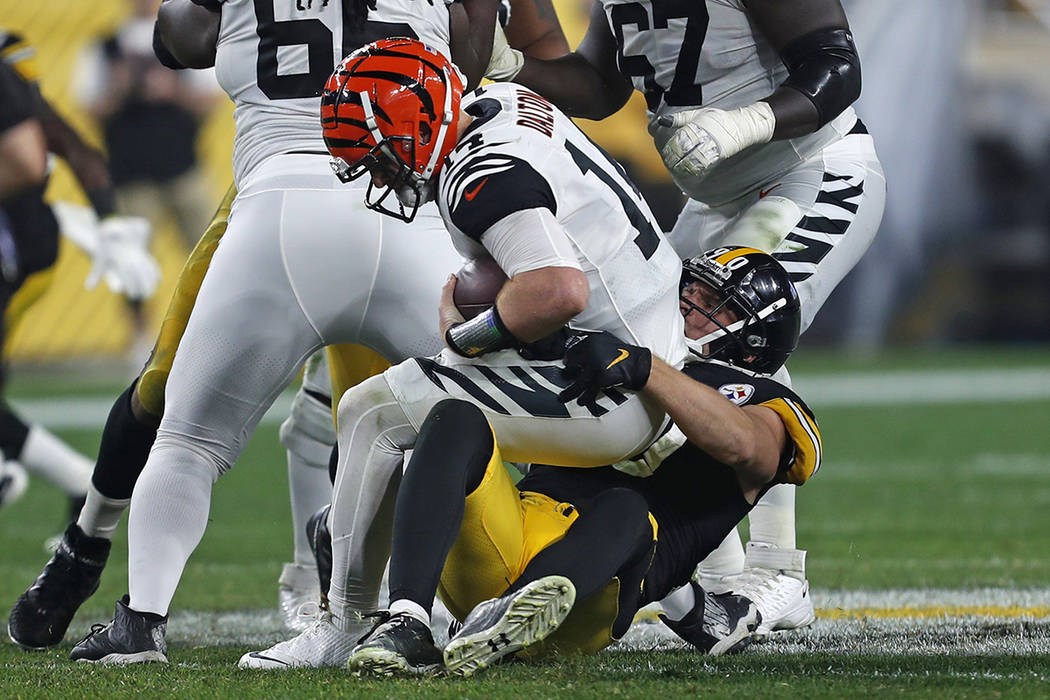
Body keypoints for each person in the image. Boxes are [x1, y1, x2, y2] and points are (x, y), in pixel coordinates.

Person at [8, 0, 573, 653]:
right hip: (408, 196)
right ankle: (650, 573)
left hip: (277, 202)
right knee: (510, 406)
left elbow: (179, 42)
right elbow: (479, 65)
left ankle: (143, 616)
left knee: (189, 429)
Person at [237, 37, 688, 670]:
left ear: (419, 131)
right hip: (649, 345)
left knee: (372, 410)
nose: (379, 175)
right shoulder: (500, 104)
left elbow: (558, 288)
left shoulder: (479, 177)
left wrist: (467, 336)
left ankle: (343, 623)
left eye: (380, 157)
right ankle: (693, 594)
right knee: (423, 391)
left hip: (616, 385)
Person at [488, 0, 885, 637]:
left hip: (809, 171)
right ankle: (715, 578)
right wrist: (511, 68)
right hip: (716, 198)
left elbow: (835, 67)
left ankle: (778, 570)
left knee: (733, 338)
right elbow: (598, 83)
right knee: (660, 346)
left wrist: (745, 124)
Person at [342, 246, 821, 676]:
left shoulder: (765, 400)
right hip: (508, 536)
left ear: (753, 339)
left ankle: (512, 617)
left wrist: (648, 368)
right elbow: (482, 368)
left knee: (628, 509)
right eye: (691, 287)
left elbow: (746, 447)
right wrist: (467, 329)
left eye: (711, 303)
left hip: (590, 599)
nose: (687, 303)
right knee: (454, 419)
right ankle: (408, 621)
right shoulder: (610, 343)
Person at [0, 35, 158, 533]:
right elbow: (70, 145)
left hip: (17, 245)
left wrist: (111, 222)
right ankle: (70, 480)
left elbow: (34, 156)